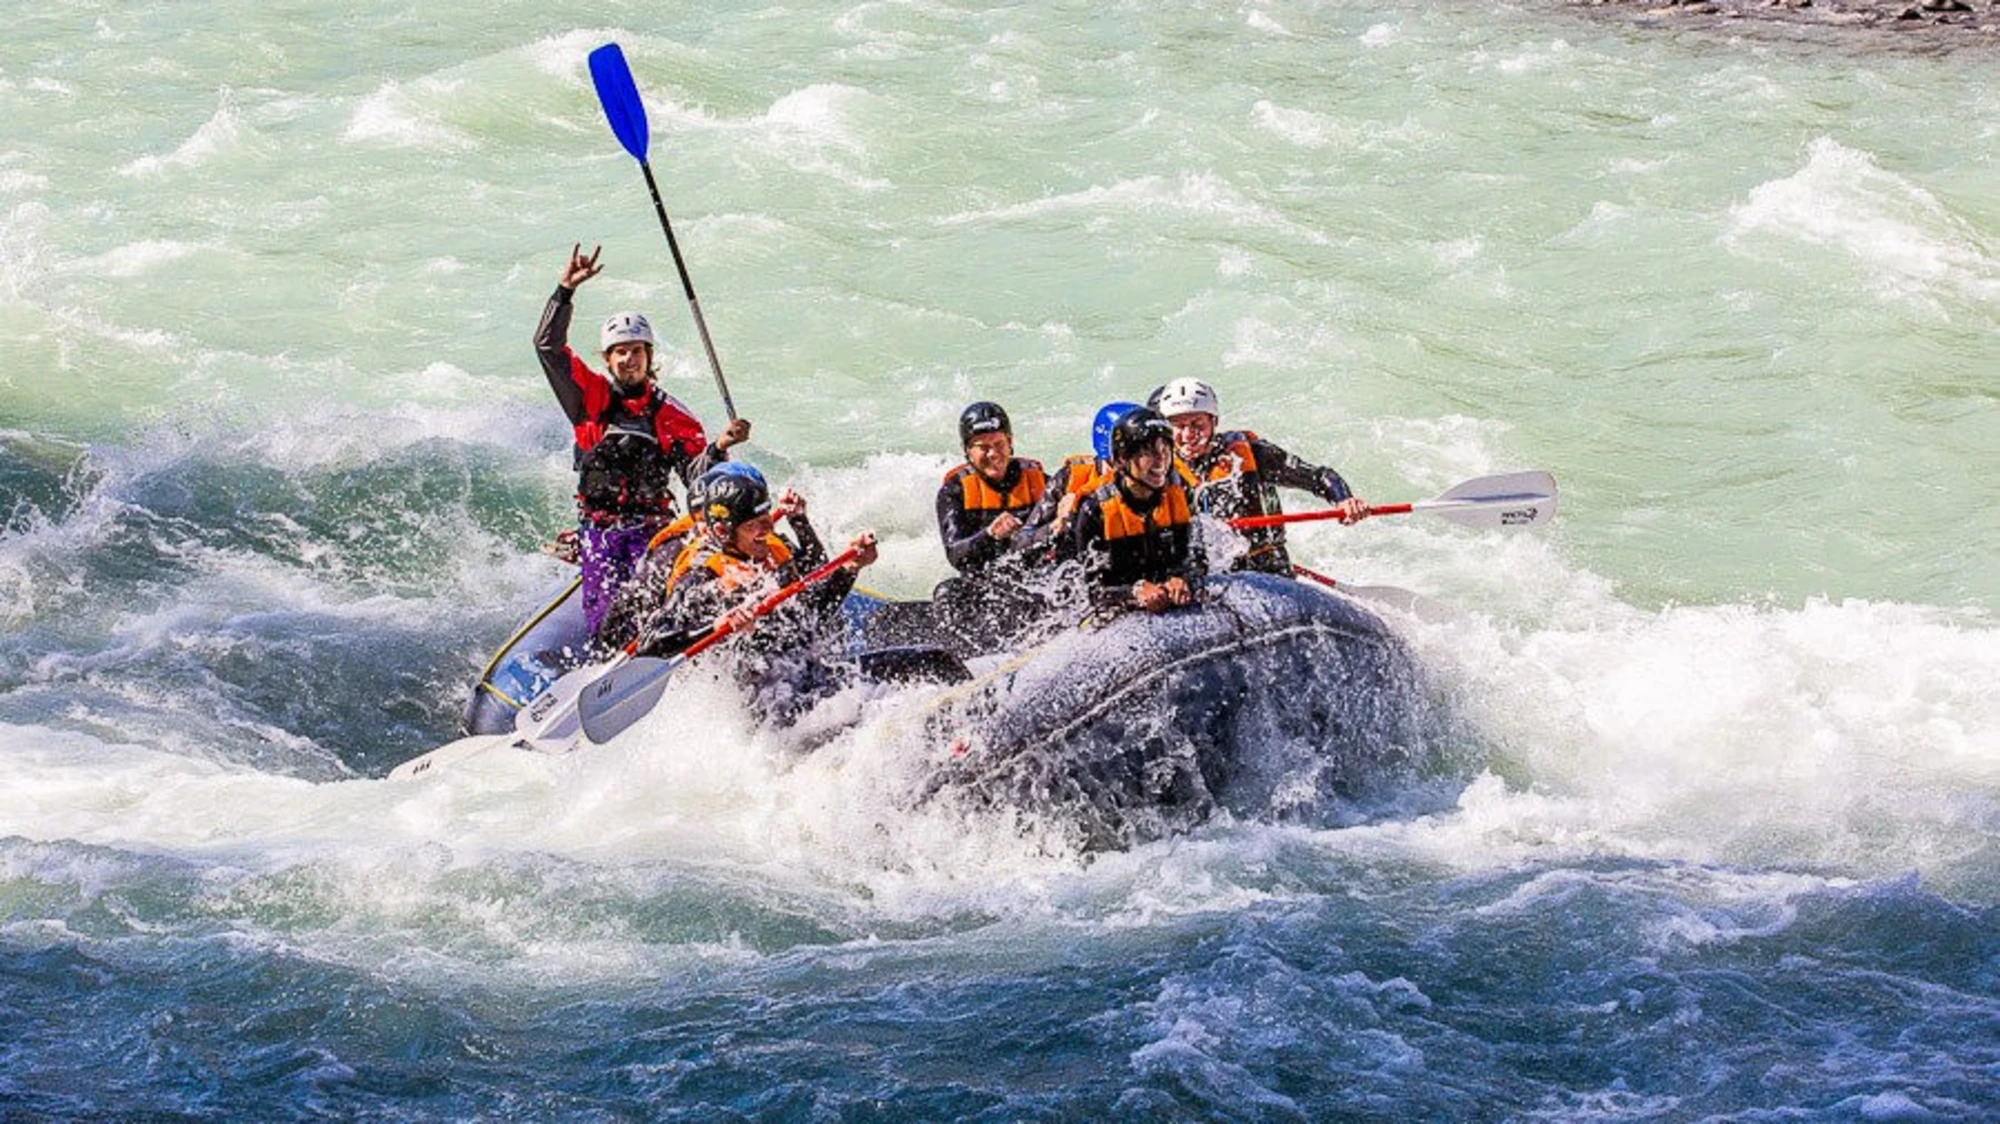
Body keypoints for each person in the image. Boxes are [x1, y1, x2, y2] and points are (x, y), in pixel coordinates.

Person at [534, 243, 754, 633]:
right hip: (600, 532)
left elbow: (698, 480)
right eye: (619, 352)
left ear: (649, 356)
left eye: (636, 351)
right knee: (606, 624)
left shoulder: (673, 417)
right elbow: (548, 347)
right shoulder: (589, 399)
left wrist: (720, 447)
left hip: (652, 533)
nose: (628, 359)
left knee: (651, 613)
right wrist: (565, 290)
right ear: (607, 359)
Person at [651, 465, 879, 726]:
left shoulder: (771, 552)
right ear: (724, 532)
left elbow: (812, 614)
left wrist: (850, 569)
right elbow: (655, 642)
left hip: (804, 676)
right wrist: (714, 626)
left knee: (912, 667)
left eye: (766, 518)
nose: (767, 529)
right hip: (760, 706)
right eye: (753, 524)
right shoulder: (702, 575)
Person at [1150, 377, 1366, 575]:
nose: (1188, 435)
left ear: (1214, 421)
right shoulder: (1158, 469)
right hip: (1205, 575)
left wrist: (1344, 499)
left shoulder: (1250, 453)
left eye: (1198, 424)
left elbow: (1318, 476)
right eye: (1179, 426)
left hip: (1267, 567)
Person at [931, 401, 1056, 649]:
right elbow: (956, 554)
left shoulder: (1043, 483)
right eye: (983, 447)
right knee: (947, 592)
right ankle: (968, 657)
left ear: (1010, 442)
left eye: (999, 444)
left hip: (1035, 582)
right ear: (967, 451)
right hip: (983, 586)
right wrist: (990, 534)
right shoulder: (954, 492)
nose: (993, 454)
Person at [1061, 407, 1203, 614]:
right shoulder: (1095, 510)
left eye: (1165, 451)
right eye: (1149, 452)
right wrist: (1133, 592)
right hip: (1118, 603)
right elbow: (1089, 590)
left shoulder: (1181, 493)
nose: (1161, 461)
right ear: (1121, 459)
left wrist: (1182, 578)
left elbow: (1198, 558)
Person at [1024, 400, 1137, 541]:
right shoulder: (1067, 479)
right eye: (1125, 457)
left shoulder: (1157, 480)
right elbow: (1022, 540)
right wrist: (1058, 525)